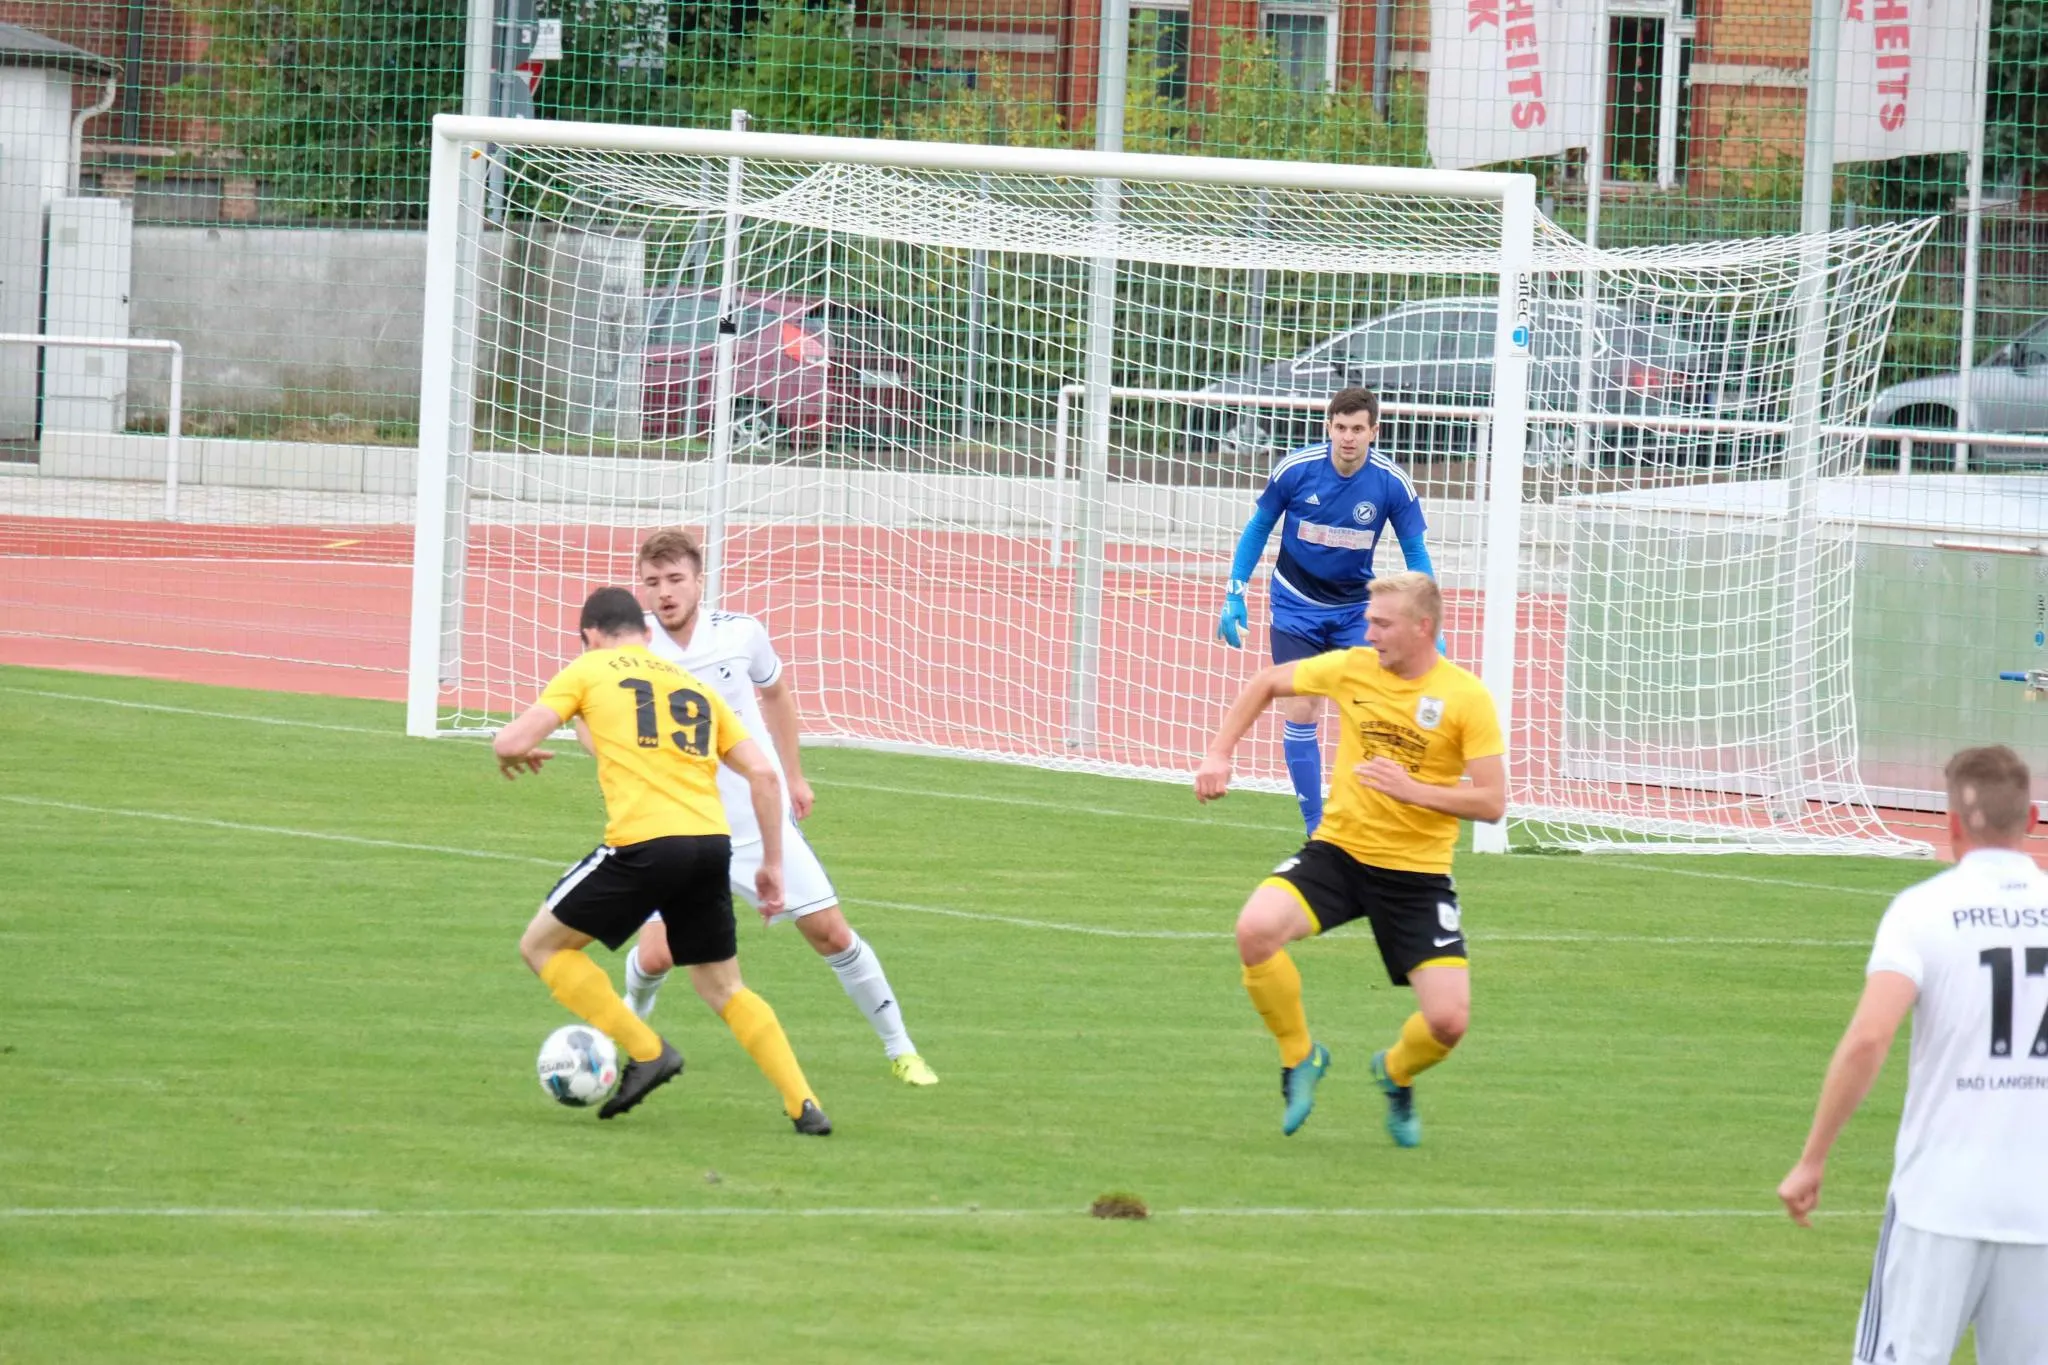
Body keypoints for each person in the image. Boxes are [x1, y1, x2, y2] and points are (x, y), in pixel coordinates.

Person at [493, 585, 832, 1133]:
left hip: (646, 844)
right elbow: (764, 775)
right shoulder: (694, 687)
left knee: (541, 946)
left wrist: (516, 749)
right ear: (647, 634)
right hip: (711, 846)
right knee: (724, 987)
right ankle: (805, 1105)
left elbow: (510, 742)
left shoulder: (589, 669)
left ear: (590, 636)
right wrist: (772, 863)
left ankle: (647, 1051)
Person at [1196, 571, 1504, 1147]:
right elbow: (1267, 681)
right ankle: (1300, 1056)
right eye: (1368, 621)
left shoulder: (1465, 697)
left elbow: (1492, 802)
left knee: (1448, 1022)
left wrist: (1413, 791)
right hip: (1339, 853)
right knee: (1254, 930)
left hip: (1417, 876)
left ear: (1422, 628)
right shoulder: (1352, 668)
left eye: (1382, 624)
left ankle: (1396, 1072)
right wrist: (1218, 753)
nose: (1370, 633)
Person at [621, 528, 937, 1087]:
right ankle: (629, 1030)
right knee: (656, 955)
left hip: (754, 820)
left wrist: (793, 774)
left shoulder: (740, 633)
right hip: (676, 827)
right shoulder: (631, 647)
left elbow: (776, 694)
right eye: (652, 582)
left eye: (674, 579)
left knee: (831, 933)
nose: (664, 592)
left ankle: (903, 1049)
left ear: (698, 580)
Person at [1777, 745, 2047, 1364]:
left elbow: (1869, 1038)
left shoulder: (1923, 911)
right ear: (2032, 818)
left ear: (1951, 824)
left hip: (1938, 1203)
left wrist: (1813, 1158)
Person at [1215, 387, 1438, 836]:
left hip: (1356, 610)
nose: (1348, 437)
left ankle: (1374, 814)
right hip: (1295, 605)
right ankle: (1317, 828)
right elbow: (1258, 528)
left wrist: (1430, 621)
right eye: (1340, 427)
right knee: (1302, 708)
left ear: (1374, 432)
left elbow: (1415, 553)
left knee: (1377, 708)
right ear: (1328, 427)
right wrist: (1235, 593)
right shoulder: (1297, 470)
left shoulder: (1391, 483)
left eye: (1357, 429)